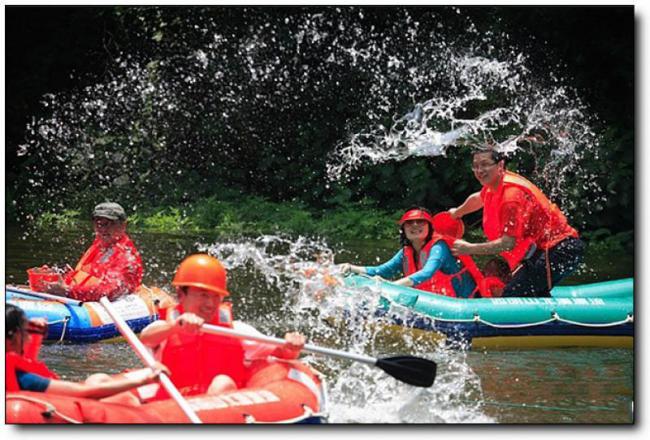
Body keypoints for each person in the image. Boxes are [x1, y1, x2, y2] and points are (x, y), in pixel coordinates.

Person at [139, 253, 305, 400]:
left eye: (216, 297)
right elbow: (146, 338)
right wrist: (176, 327)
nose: (210, 304)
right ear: (181, 295)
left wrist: (292, 345)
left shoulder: (236, 330)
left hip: (222, 407)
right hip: (173, 410)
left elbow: (281, 353)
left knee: (222, 383)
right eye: (203, 295)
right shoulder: (165, 328)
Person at [450, 147, 585, 297]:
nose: (479, 170)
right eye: (475, 165)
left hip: (560, 250)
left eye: (485, 164)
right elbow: (478, 198)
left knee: (512, 296)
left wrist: (469, 248)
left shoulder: (511, 198)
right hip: (542, 251)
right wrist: (457, 212)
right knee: (525, 289)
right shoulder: (495, 186)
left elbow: (507, 243)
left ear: (500, 166)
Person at [5, 304, 167, 404]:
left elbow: (26, 364)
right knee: (125, 399)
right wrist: (146, 379)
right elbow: (85, 393)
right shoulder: (24, 379)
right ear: (12, 337)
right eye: (26, 333)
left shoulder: (15, 370)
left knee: (97, 379)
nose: (28, 337)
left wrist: (35, 337)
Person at [340, 207, 480, 298]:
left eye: (421, 222)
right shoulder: (406, 252)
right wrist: (352, 267)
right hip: (434, 300)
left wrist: (391, 286)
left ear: (430, 228)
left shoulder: (439, 247)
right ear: (403, 229)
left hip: (463, 302)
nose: (415, 225)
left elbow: (427, 273)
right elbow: (383, 270)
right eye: (410, 223)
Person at [43, 202, 143, 301]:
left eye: (108, 224)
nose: (102, 229)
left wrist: (67, 291)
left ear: (123, 225)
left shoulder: (127, 257)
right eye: (98, 224)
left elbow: (109, 291)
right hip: (82, 299)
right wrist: (64, 277)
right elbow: (92, 276)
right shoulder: (100, 245)